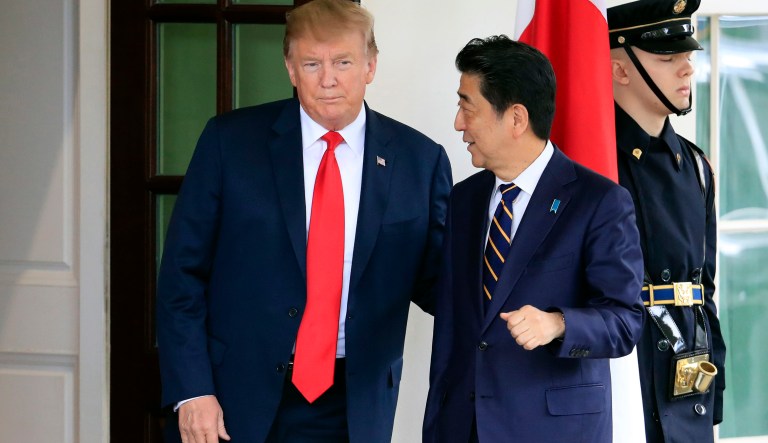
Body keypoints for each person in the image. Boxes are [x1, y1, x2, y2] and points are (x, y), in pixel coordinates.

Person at [155, 0, 452, 441]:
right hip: (234, 400)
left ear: (370, 66)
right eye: (312, 63)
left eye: (343, 62)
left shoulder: (420, 160)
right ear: (290, 68)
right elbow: (182, 277)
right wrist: (192, 389)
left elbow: (442, 284)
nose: (328, 79)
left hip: (355, 401)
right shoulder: (229, 143)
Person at [422, 35, 645, 443]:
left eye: (467, 106)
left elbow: (625, 321)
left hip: (554, 430)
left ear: (517, 118)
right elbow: (454, 323)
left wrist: (558, 323)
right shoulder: (464, 199)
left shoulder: (600, 201)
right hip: (463, 426)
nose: (458, 123)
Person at [608, 1, 727, 441]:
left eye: (688, 57)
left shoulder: (696, 167)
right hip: (622, 374)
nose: (687, 70)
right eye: (668, 58)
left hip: (688, 379)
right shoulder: (590, 164)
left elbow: (704, 287)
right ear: (620, 70)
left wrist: (716, 388)